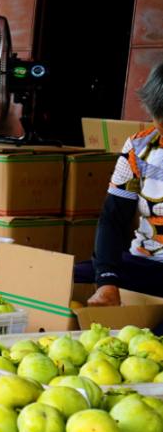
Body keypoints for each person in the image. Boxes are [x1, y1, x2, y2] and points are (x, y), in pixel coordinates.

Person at [75, 61, 163, 305]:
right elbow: (113, 217)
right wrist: (107, 280)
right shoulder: (139, 147)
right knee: (54, 283)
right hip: (144, 263)